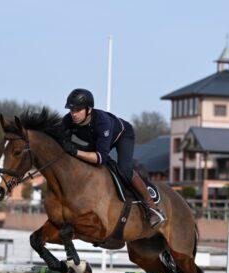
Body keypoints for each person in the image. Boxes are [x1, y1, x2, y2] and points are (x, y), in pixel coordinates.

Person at [60, 88, 165, 228]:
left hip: (123, 135)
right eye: (72, 110)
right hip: (96, 141)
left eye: (78, 110)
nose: (74, 114)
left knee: (124, 170)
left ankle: (151, 207)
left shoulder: (102, 123)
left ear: (89, 109)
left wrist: (76, 152)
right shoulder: (67, 120)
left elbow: (101, 158)